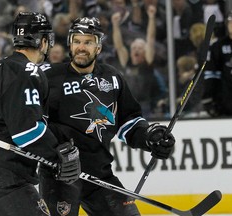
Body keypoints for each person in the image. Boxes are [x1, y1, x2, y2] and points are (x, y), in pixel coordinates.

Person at [39, 17, 175, 216]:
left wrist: (150, 136)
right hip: (60, 174)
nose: (81, 47)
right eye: (77, 41)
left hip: (98, 175)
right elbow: (31, 120)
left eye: (88, 42)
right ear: (70, 43)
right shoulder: (48, 77)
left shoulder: (112, 77)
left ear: (99, 47)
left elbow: (128, 121)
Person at [0, 12, 81, 216]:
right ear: (42, 41)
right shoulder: (28, 71)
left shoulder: (4, 65)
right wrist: (58, 153)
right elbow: (27, 131)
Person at [202, 9, 232, 117]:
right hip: (226, 102)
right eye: (231, 21)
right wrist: (208, 98)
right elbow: (211, 74)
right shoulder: (218, 46)